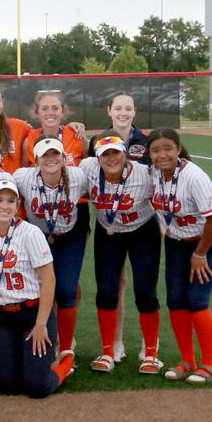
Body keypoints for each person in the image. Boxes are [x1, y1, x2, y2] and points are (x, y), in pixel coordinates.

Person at [147, 128, 212, 384]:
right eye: (155, 150)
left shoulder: (194, 176)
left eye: (167, 149)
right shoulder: (154, 173)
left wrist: (200, 254)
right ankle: (187, 361)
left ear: (178, 149)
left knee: (196, 297)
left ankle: (210, 364)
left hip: (211, 240)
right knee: (175, 299)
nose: (162, 155)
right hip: (177, 240)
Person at [0, 180, 74, 398]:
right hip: (3, 317)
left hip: (32, 315)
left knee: (37, 388)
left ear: (18, 204)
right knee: (8, 386)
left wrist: (41, 324)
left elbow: (49, 280)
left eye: (11, 201)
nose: (5, 206)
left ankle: (65, 364)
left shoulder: (31, 233)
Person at [79, 132, 162, 374]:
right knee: (106, 291)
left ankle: (151, 353)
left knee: (145, 291)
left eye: (116, 152)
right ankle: (107, 351)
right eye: (105, 154)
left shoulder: (144, 173)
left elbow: (170, 184)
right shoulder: (87, 169)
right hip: (109, 232)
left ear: (125, 153)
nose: (111, 158)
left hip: (143, 231)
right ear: (97, 158)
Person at [88, 92, 152, 362]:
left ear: (135, 111)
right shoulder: (96, 141)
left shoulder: (146, 142)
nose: (123, 113)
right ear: (109, 110)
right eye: (118, 108)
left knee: (143, 286)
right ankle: (115, 343)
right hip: (109, 226)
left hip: (140, 224)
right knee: (114, 285)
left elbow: (156, 184)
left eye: (128, 108)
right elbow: (89, 174)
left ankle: (149, 348)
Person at [13, 136, 87, 355]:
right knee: (37, 289)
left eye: (55, 154)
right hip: (37, 238)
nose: (51, 159)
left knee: (66, 289)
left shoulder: (78, 176)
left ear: (64, 157)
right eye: (45, 155)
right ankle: (44, 338)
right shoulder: (23, 177)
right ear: (36, 159)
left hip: (69, 237)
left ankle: (66, 347)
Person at [22, 90, 88, 167]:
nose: (50, 113)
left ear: (62, 112)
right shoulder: (29, 141)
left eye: (55, 108)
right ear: (37, 113)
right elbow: (24, 173)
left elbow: (88, 169)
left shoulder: (77, 136)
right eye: (44, 108)